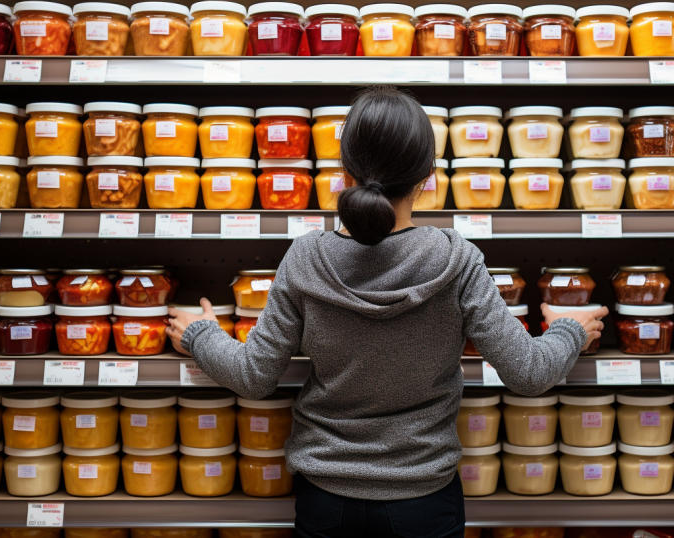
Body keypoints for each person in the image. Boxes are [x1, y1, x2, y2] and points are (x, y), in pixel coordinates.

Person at [166, 86, 607, 537]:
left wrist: (200, 334)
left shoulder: (305, 258)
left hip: (326, 501)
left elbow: (253, 375)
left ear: (343, 170)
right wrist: (570, 329)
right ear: (427, 176)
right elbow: (529, 371)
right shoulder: (456, 260)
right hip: (424, 502)